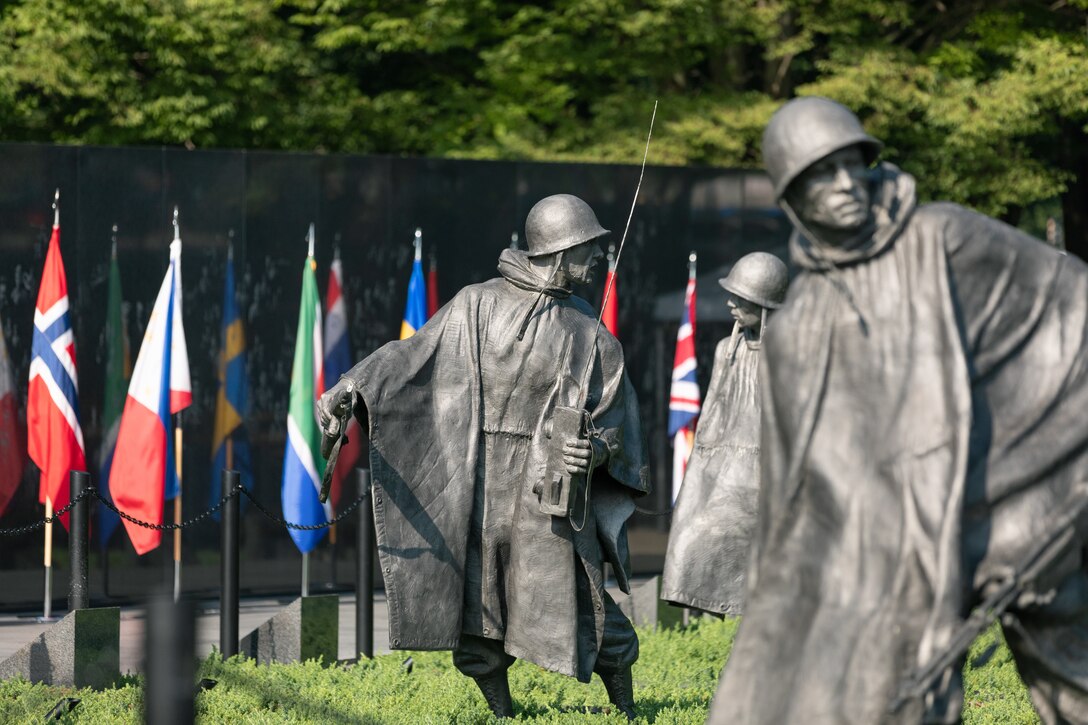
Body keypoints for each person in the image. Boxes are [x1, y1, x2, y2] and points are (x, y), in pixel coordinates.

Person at [709, 96, 1088, 725]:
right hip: (890, 546)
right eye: (818, 177)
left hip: (1020, 505)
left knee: (1072, 673)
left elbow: (1070, 302)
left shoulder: (943, 237)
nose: (842, 185)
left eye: (849, 165)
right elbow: (793, 492)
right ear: (792, 200)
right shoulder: (802, 323)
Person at [319, 194, 650, 719]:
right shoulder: (477, 304)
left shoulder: (592, 333)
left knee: (587, 609)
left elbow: (615, 426)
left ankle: (630, 712)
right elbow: (413, 355)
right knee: (479, 615)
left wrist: (593, 451)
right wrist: (351, 385)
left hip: (546, 492)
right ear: (561, 251)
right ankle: (502, 712)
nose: (596, 260)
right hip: (479, 480)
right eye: (589, 249)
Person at [660, 252, 787, 616]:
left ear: (764, 305)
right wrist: (698, 484)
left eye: (741, 298)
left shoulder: (792, 357)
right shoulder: (723, 352)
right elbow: (711, 425)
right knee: (687, 540)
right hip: (724, 472)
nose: (731, 303)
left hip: (767, 479)